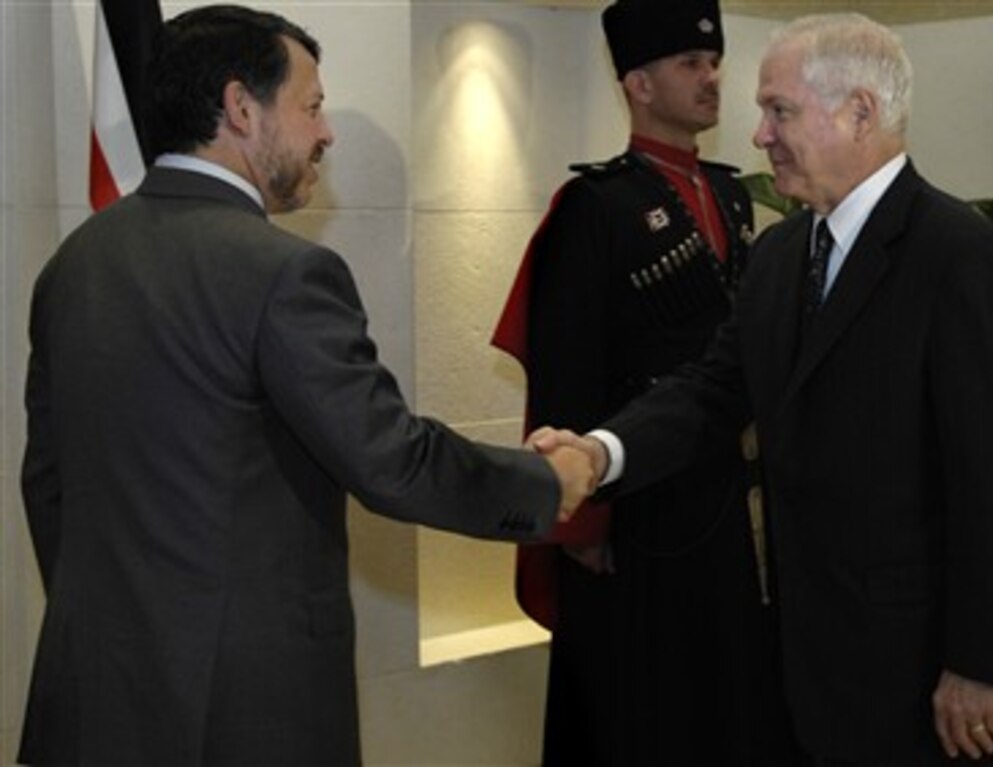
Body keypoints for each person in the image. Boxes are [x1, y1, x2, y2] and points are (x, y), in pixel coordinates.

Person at [17, 5, 595, 766]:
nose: (326, 133)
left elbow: (47, 486)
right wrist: (549, 479)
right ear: (240, 108)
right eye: (313, 106)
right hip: (246, 714)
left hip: (91, 700)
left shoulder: (73, 265)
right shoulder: (285, 273)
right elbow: (392, 461)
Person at [531, 12, 993, 767]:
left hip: (919, 676)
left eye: (779, 110)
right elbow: (713, 390)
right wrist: (597, 452)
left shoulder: (962, 261)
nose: (758, 134)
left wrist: (982, 662)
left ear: (860, 113)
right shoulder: (783, 255)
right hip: (799, 658)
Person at [492, 1, 804, 764]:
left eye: (715, 63)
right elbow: (567, 366)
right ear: (638, 82)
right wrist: (582, 522)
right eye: (690, 65)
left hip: (721, 498)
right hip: (630, 503)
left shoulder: (733, 194)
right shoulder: (595, 206)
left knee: (722, 695)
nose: (711, 80)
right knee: (637, 706)